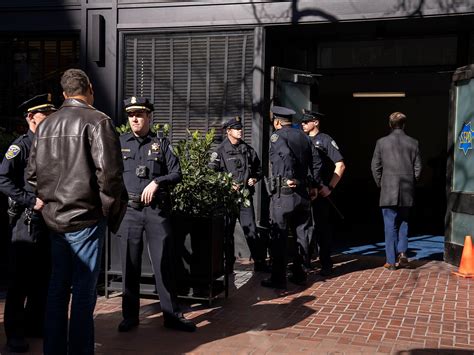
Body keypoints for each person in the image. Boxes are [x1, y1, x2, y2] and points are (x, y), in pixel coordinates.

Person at [26, 69, 127, 355]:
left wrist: (49, 202)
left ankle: (54, 350)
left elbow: (32, 175)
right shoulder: (98, 121)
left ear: (64, 94)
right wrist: (108, 210)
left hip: (55, 220)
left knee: (58, 289)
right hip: (85, 218)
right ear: (90, 88)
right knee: (82, 293)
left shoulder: (45, 126)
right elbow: (109, 176)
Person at [115, 96, 196, 333]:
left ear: (149, 116)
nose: (135, 119)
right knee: (129, 265)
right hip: (129, 211)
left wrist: (157, 182)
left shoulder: (161, 144)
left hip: (156, 212)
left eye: (139, 114)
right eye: (131, 115)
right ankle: (129, 316)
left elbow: (177, 173)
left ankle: (171, 315)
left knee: (163, 264)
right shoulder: (119, 143)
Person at [0, 94, 55, 353]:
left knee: (41, 279)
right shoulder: (20, 146)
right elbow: (3, 179)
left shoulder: (52, 145)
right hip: (26, 221)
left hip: (48, 222)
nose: (51, 118)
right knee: (20, 280)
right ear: (32, 117)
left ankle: (35, 325)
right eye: (46, 114)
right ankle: (14, 333)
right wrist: (28, 200)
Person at [261, 106, 321, 289]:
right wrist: (313, 184)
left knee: (278, 234)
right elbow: (316, 161)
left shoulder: (277, 136)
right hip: (303, 193)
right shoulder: (304, 136)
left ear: (277, 122)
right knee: (301, 234)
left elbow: (285, 155)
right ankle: (299, 273)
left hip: (284, 193)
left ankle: (278, 278)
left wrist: (289, 177)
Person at [209, 116, 267, 272]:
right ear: (229, 131)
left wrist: (254, 179)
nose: (240, 131)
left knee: (251, 230)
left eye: (241, 128)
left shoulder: (247, 150)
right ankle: (228, 266)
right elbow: (211, 174)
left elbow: (259, 170)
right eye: (237, 128)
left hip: (244, 198)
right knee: (227, 232)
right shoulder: (219, 151)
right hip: (227, 199)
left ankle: (260, 263)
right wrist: (227, 184)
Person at [371, 111, 422, 270]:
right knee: (404, 223)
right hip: (407, 189)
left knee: (389, 224)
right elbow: (418, 167)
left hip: (388, 189)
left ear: (390, 124)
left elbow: (375, 167)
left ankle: (391, 261)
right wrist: (413, 182)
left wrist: (381, 183)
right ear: (404, 124)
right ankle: (402, 252)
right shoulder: (413, 142)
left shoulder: (381, 142)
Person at [301, 110, 346, 276]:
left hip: (320, 193)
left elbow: (340, 165)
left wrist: (330, 187)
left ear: (316, 122)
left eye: (306, 122)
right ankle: (305, 263)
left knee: (321, 229)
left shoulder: (325, 140)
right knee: (304, 229)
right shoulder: (301, 139)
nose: (303, 124)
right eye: (302, 122)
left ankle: (326, 264)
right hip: (304, 192)